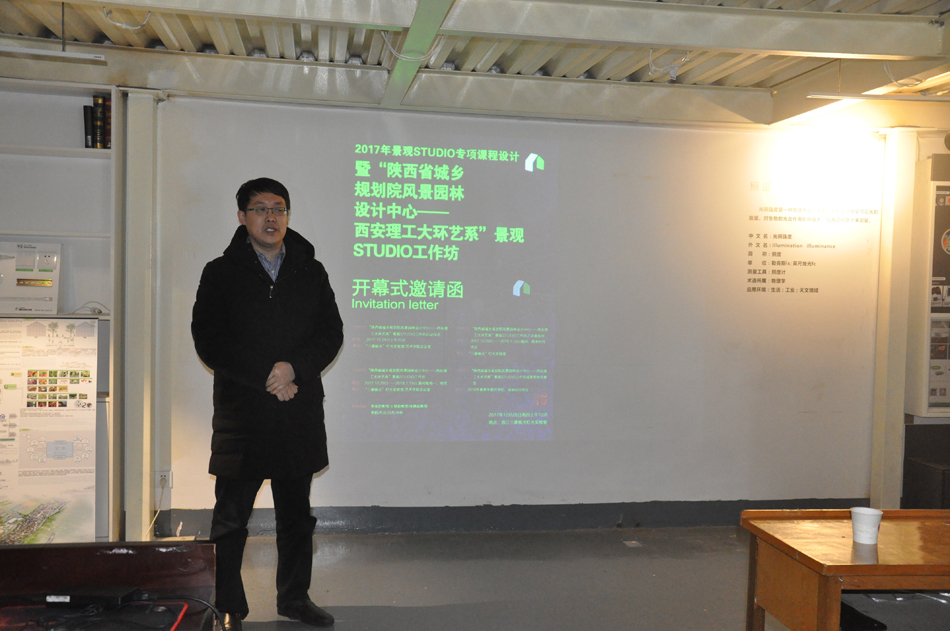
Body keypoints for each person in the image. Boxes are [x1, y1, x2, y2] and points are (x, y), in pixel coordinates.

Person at [192, 178, 344, 630]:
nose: (271, 217)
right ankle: (228, 605)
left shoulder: (310, 270)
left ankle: (294, 599)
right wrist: (269, 376)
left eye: (279, 208)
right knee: (230, 520)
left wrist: (293, 369)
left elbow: (331, 333)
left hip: (298, 412)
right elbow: (209, 340)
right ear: (242, 217)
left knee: (296, 517)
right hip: (244, 416)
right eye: (260, 209)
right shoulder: (220, 272)